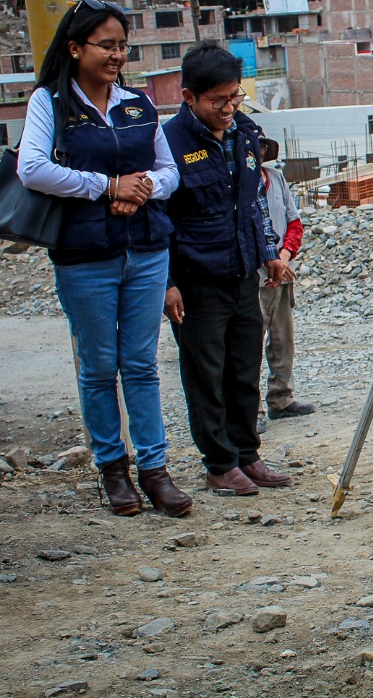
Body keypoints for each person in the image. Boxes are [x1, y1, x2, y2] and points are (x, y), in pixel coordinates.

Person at [17, 0, 191, 518]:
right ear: (75, 48)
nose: (116, 55)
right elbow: (32, 168)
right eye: (106, 46)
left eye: (122, 46)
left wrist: (139, 190)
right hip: (84, 256)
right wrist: (104, 186)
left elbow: (170, 171)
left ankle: (155, 470)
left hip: (146, 252)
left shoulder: (137, 103)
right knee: (98, 367)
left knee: (140, 364)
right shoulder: (50, 103)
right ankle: (112, 471)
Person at [161, 40, 293, 495]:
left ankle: (246, 454)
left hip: (242, 273)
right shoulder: (167, 144)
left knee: (243, 368)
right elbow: (156, 220)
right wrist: (168, 283)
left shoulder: (244, 133)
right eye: (217, 100)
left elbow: (251, 205)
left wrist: (269, 253)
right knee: (206, 374)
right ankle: (219, 463)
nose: (227, 108)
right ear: (189, 97)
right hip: (196, 283)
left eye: (234, 97)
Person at [256, 136, 314, 434]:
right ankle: (252, 408)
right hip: (255, 273)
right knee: (252, 341)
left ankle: (281, 398)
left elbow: (294, 222)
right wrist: (270, 261)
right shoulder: (240, 182)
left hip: (282, 269)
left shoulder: (276, 178)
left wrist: (284, 256)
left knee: (282, 337)